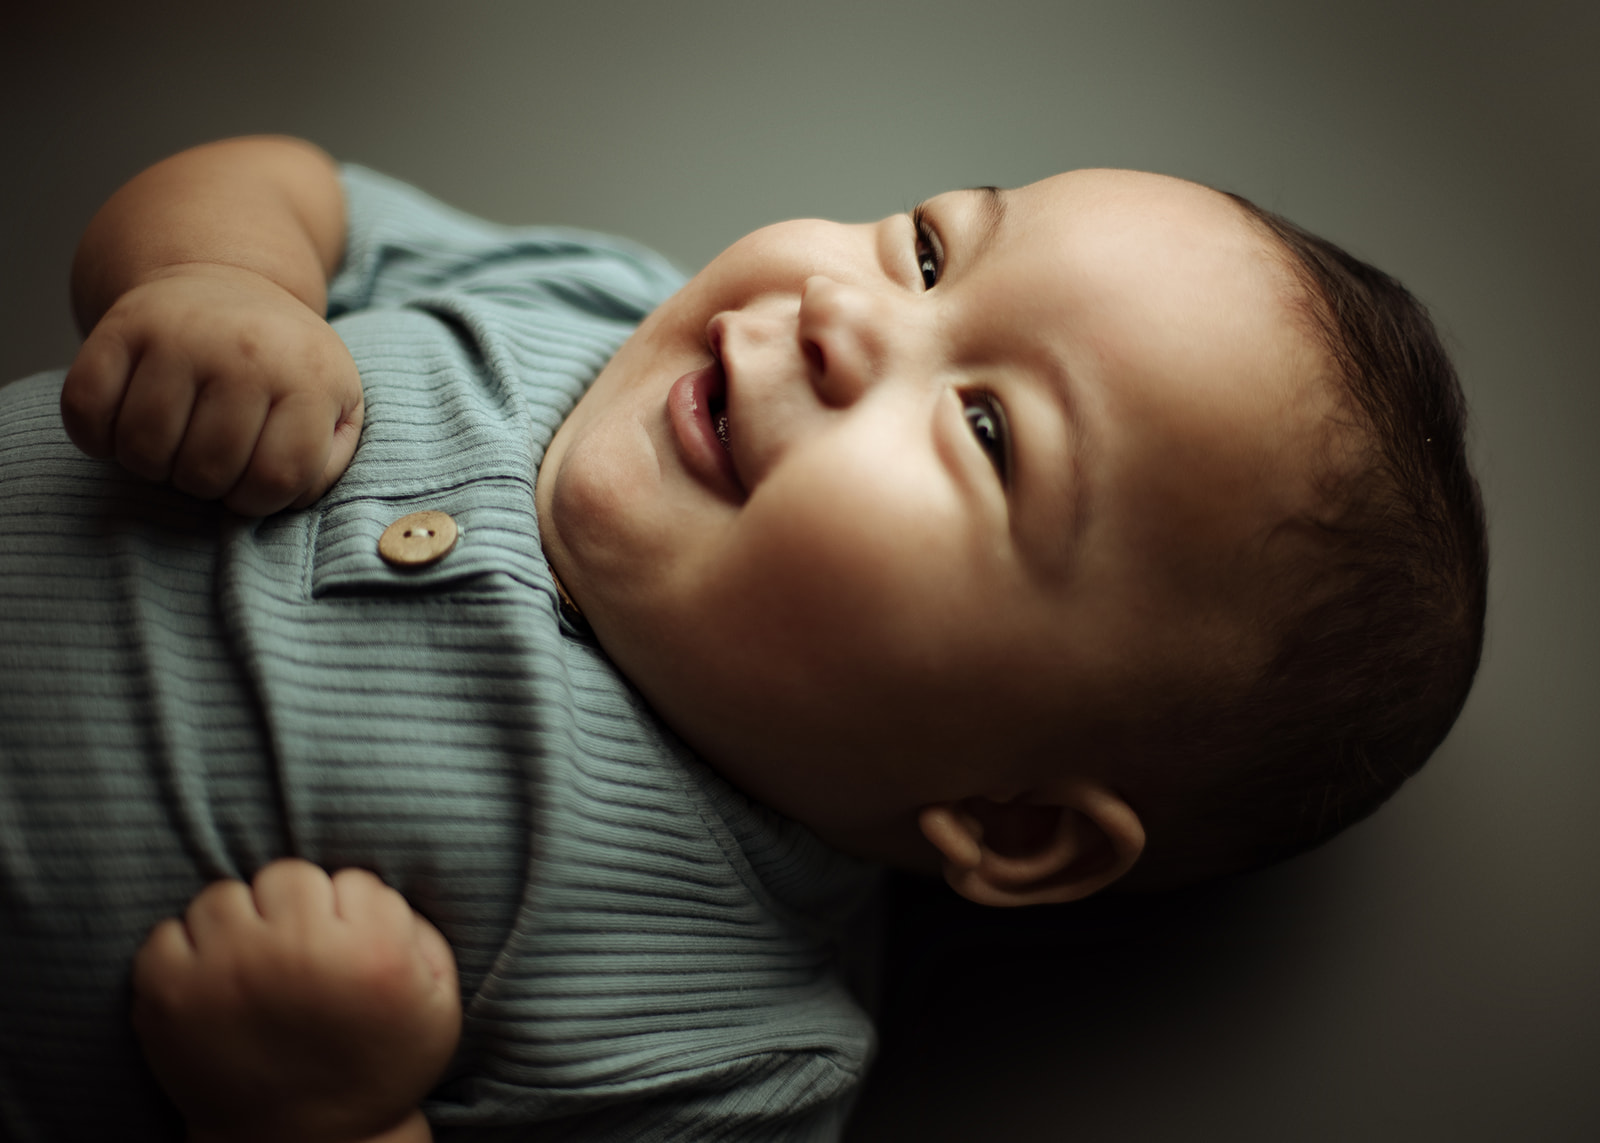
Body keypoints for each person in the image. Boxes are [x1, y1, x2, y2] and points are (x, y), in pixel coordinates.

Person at [0, 135, 1487, 1141]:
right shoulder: (580, 299)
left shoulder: (732, 1042)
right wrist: (222, 279)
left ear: (1013, 820)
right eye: (927, 252)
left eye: (986, 427)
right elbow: (286, 182)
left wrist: (326, 1116)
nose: (844, 312)